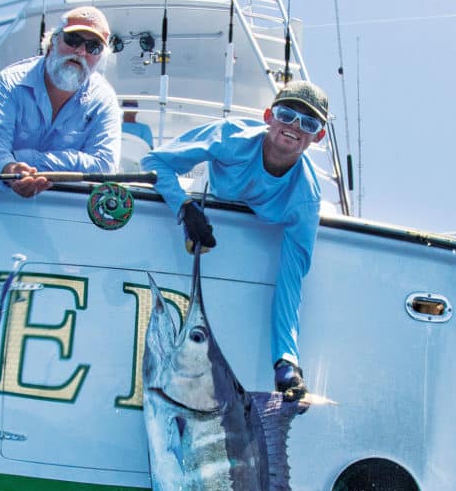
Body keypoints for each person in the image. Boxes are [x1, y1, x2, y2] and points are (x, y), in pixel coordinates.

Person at [140, 80, 328, 401]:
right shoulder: (229, 136)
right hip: (203, 230)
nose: (294, 126)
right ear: (268, 115)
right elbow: (155, 162)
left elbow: (290, 282)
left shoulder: (306, 199)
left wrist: (286, 360)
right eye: (286, 114)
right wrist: (184, 208)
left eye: (308, 123)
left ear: (318, 136)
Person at [0, 6, 121, 198]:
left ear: (99, 59)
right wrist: (10, 170)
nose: (80, 51)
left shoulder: (104, 100)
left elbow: (104, 166)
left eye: (93, 46)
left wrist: (26, 159)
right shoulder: (8, 82)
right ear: (52, 43)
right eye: (73, 39)